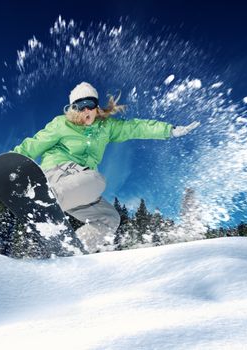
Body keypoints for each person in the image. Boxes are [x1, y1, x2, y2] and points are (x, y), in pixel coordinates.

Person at [13, 82, 199, 252]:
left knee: (110, 218)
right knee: (96, 179)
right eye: (79, 106)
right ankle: (43, 200)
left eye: (90, 104)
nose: (86, 110)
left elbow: (135, 127)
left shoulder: (106, 127)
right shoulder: (61, 124)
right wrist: (11, 163)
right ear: (72, 108)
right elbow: (35, 144)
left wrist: (169, 130)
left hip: (79, 187)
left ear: (97, 106)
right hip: (58, 175)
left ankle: (73, 249)